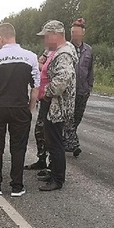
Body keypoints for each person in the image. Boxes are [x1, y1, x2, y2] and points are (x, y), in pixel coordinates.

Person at [0, 23, 40, 197]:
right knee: (19, 147)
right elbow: (35, 87)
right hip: (20, 107)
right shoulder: (30, 57)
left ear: (0, 38)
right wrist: (30, 108)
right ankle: (17, 186)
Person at [35, 20, 77, 191]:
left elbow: (62, 80)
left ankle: (57, 179)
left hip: (56, 105)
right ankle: (53, 171)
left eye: (46, 36)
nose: (44, 40)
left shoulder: (64, 54)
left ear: (55, 35)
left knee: (55, 142)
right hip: (51, 104)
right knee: (51, 140)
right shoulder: (56, 51)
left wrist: (46, 93)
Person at [64, 18, 94, 157]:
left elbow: (90, 70)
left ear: (83, 33)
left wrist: (89, 87)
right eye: (72, 32)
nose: (74, 35)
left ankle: (67, 140)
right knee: (68, 118)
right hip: (68, 91)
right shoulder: (65, 48)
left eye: (76, 32)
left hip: (82, 90)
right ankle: (74, 144)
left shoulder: (89, 50)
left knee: (77, 118)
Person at [24, 49, 51, 171]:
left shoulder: (62, 52)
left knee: (52, 133)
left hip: (53, 100)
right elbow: (40, 63)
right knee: (40, 131)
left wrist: (43, 65)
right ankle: (41, 160)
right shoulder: (49, 51)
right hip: (43, 98)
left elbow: (45, 68)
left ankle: (52, 166)